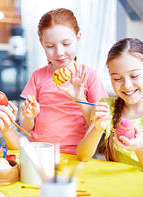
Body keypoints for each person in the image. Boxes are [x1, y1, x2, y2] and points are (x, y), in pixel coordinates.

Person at [76, 38, 143, 196]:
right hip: (118, 189)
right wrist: (97, 129)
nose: (126, 85)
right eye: (117, 78)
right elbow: (82, 155)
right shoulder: (107, 107)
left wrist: (141, 148)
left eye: (134, 76)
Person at [19, 8, 107, 155]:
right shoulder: (37, 75)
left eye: (66, 43)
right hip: (38, 152)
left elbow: (97, 124)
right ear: (41, 43)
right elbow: (25, 127)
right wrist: (30, 116)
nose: (59, 52)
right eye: (50, 46)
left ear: (78, 38)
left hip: (76, 154)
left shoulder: (89, 76)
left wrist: (80, 98)